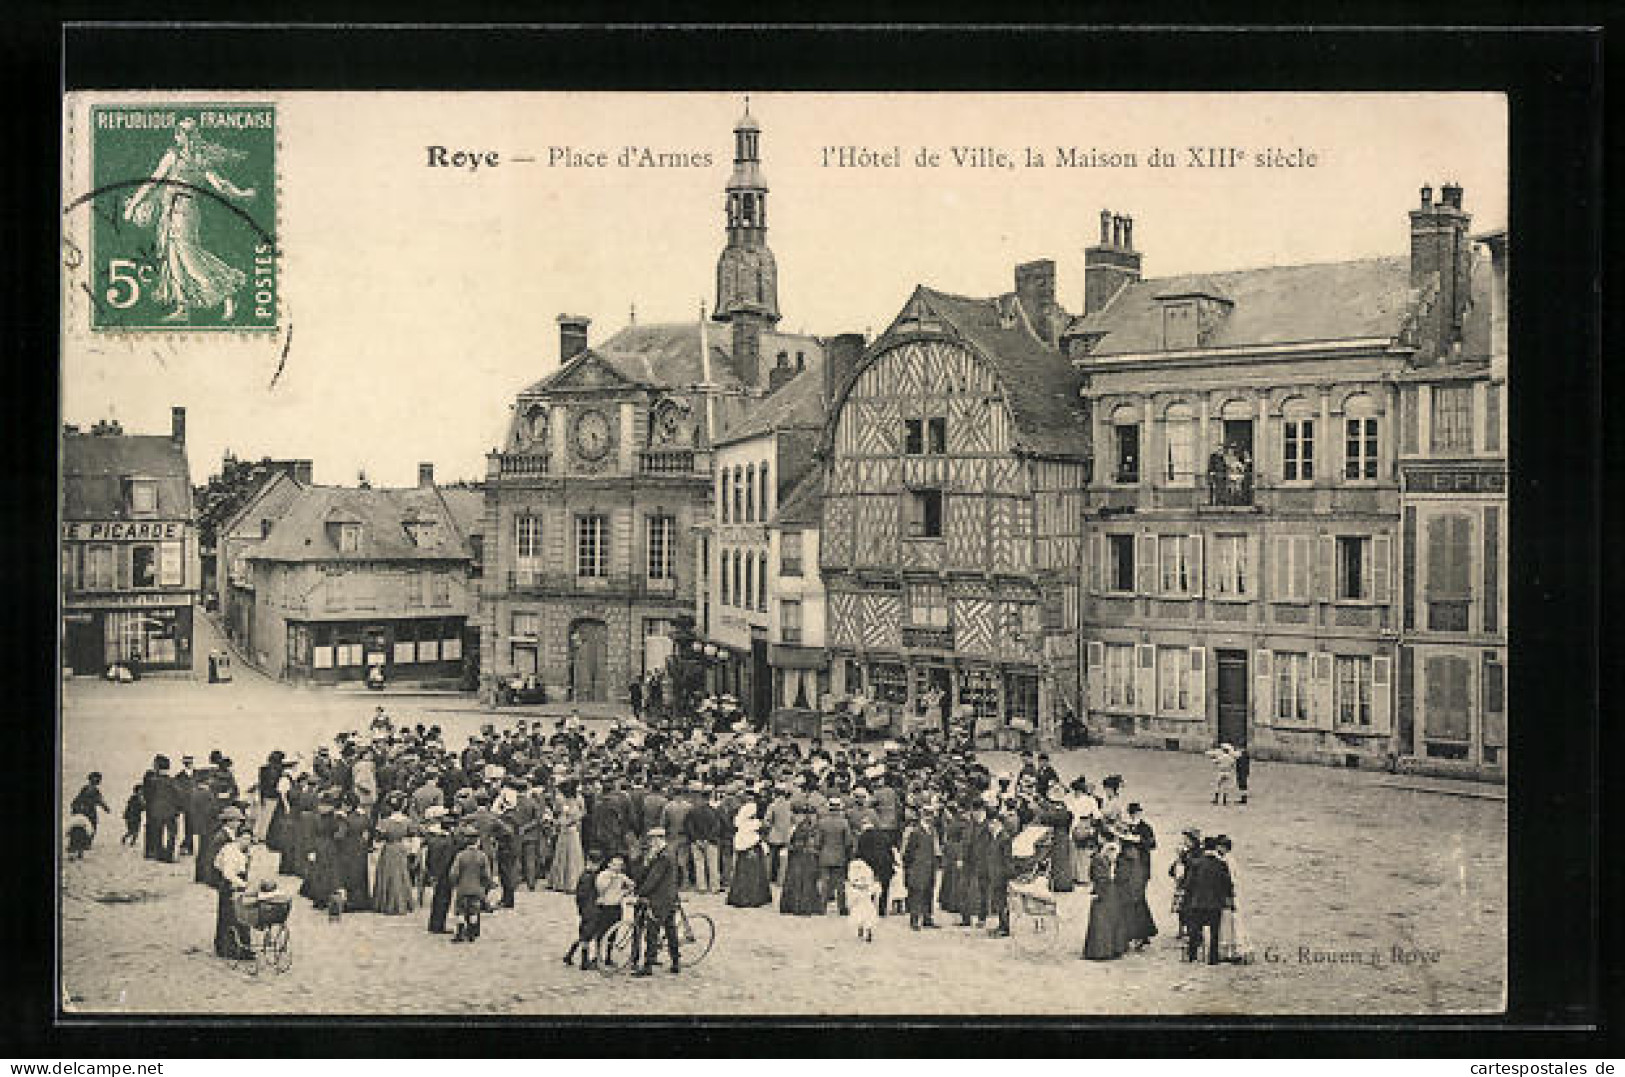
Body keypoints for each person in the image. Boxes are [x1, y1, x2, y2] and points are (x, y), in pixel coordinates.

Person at [121, 115, 257, 323]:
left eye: (191, 133)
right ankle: (182, 307)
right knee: (173, 258)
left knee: (190, 259)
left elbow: (219, 184)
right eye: (184, 133)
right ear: (178, 136)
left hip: (184, 212)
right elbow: (153, 182)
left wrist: (241, 194)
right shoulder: (174, 157)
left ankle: (228, 292)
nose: (188, 137)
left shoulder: (200, 159)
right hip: (170, 211)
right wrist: (133, 205)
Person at [632, 828, 681, 976]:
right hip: (669, 897)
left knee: (653, 930)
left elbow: (653, 879)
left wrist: (640, 893)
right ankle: (675, 962)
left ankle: (648, 965)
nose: (651, 844)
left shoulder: (664, 857)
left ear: (660, 840)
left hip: (659, 899)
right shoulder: (666, 854)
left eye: (653, 840)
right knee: (670, 929)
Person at [1181, 836, 1234, 965]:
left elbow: (1188, 884)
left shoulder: (1196, 863)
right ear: (1215, 848)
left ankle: (1192, 956)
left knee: (1194, 930)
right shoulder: (1221, 864)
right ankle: (1213, 959)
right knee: (1214, 933)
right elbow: (1227, 885)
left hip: (1197, 903)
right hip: (1215, 904)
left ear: (1204, 848)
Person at [210, 814, 254, 960]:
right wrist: (242, 884)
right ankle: (226, 948)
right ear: (238, 838)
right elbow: (228, 873)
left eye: (249, 839)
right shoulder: (230, 850)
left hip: (239, 884)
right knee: (228, 916)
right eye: (244, 838)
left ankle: (243, 946)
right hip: (228, 884)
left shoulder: (246, 852)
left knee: (243, 915)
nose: (247, 841)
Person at [1118, 802, 1158, 950]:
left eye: (1137, 813)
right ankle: (1136, 933)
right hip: (1128, 870)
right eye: (1133, 813)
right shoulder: (1125, 827)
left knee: (1138, 900)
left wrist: (1139, 840)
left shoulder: (1145, 827)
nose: (1135, 815)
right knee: (1130, 901)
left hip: (1141, 868)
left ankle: (1141, 933)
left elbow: (1153, 844)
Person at [586, 853, 635, 969]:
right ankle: (597, 957)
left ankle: (608, 957)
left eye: (620, 865)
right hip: (605, 907)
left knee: (613, 933)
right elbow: (600, 888)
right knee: (601, 932)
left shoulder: (621, 876)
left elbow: (632, 885)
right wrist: (612, 880)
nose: (617, 867)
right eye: (615, 864)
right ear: (609, 864)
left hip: (616, 907)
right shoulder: (603, 875)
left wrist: (624, 892)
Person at [1082, 839, 1128, 961]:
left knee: (1110, 920)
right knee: (1102, 921)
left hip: (1109, 893)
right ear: (1109, 852)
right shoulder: (1099, 861)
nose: (1115, 858)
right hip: (1104, 893)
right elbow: (1099, 878)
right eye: (1114, 855)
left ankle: (1111, 949)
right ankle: (1101, 951)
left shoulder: (1105, 861)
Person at [372, 800, 418, 915]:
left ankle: (385, 903)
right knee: (401, 874)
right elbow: (413, 835)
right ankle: (403, 902)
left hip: (388, 848)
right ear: (403, 806)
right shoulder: (408, 821)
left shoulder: (385, 822)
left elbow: (378, 838)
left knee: (387, 874)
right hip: (401, 848)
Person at [448, 825, 493, 943]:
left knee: (460, 911)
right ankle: (472, 933)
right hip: (477, 888)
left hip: (462, 888)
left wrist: (454, 883)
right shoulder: (482, 856)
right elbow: (487, 875)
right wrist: (486, 885)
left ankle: (460, 933)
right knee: (473, 911)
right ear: (477, 841)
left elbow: (454, 873)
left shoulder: (460, 855)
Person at [1213, 836, 1253, 963]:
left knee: (1229, 922)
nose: (1217, 848)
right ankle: (1229, 951)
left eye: (1219, 846)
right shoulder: (1226, 860)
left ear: (1223, 847)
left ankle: (1232, 951)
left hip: (1228, 896)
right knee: (1228, 923)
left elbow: (1231, 881)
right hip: (1228, 895)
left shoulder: (1227, 861)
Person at [563, 849, 604, 969]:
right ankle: (584, 961)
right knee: (587, 936)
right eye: (594, 864)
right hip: (590, 910)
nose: (595, 866)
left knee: (584, 935)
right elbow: (582, 896)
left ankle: (570, 955)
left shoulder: (588, 875)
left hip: (587, 909)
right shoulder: (588, 877)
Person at [726, 803, 772, 908]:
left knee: (742, 874)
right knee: (754, 875)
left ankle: (741, 896)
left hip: (744, 852)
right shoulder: (754, 824)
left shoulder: (741, 825)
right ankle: (754, 897)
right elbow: (763, 829)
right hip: (754, 850)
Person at [779, 806, 823, 916]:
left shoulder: (802, 827)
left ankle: (797, 905)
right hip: (806, 857)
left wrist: (791, 847)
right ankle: (806, 905)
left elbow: (799, 844)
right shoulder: (810, 827)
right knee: (805, 882)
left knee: (800, 881)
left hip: (800, 858)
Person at [901, 810, 940, 930]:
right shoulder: (916, 832)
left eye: (931, 815)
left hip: (930, 865)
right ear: (922, 816)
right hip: (918, 866)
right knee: (917, 892)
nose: (930, 818)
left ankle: (927, 918)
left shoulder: (932, 830)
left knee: (929, 892)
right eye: (927, 815)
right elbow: (909, 852)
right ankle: (914, 920)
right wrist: (910, 866)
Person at [421, 806, 457, 934]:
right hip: (444, 873)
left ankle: (435, 924)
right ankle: (438, 925)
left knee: (439, 899)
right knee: (443, 899)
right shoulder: (447, 841)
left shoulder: (435, 839)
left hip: (438, 872)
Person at [547, 780, 586, 892]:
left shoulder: (575, 801)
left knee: (571, 856)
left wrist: (571, 820)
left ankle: (570, 882)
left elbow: (580, 814)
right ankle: (562, 881)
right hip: (565, 830)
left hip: (571, 830)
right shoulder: (565, 802)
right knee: (563, 854)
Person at [816, 797, 853, 915]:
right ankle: (841, 908)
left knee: (825, 882)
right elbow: (848, 841)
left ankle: (822, 907)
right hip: (839, 855)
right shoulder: (844, 822)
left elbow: (818, 841)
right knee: (840, 883)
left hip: (825, 855)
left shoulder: (822, 822)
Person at [141, 755, 181, 862]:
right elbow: (178, 796)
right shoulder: (173, 781)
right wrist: (178, 809)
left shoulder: (152, 780)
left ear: (157, 766)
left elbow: (147, 795)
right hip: (171, 811)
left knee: (157, 832)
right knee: (171, 833)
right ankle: (168, 855)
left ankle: (156, 852)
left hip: (155, 811)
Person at [982, 811, 1014, 938]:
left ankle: (1005, 928)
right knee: (998, 901)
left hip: (1000, 874)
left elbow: (1007, 859)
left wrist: (1006, 874)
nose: (990, 826)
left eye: (992, 823)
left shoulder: (1004, 838)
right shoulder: (995, 837)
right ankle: (1001, 925)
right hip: (995, 873)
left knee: (1002, 902)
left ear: (998, 823)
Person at [854, 818, 895, 917]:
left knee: (870, 887)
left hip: (870, 865)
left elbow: (859, 854)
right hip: (885, 864)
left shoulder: (862, 837)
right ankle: (882, 909)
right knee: (884, 888)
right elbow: (890, 850)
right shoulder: (884, 835)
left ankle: (871, 908)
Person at [1168, 826, 1202, 942]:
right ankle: (1182, 929)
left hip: (1193, 885)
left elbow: (1196, 865)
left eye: (1187, 839)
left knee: (1190, 909)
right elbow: (1173, 869)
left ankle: (1190, 930)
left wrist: (1183, 858)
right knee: (1181, 908)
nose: (1185, 841)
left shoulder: (1198, 853)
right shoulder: (1186, 853)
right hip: (1184, 883)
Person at [685, 791, 723, 893]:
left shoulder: (693, 811)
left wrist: (696, 839)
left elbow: (690, 827)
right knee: (713, 865)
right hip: (711, 842)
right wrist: (708, 839)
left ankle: (702, 887)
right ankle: (715, 887)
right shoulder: (714, 811)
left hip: (696, 842)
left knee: (699, 864)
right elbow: (717, 827)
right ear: (709, 798)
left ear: (700, 798)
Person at [70, 772, 112, 850]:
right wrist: (106, 808)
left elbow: (78, 798)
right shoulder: (93, 790)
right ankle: (85, 843)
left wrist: (74, 807)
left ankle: (82, 843)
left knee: (86, 827)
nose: (98, 780)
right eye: (97, 779)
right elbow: (99, 800)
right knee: (91, 827)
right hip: (89, 811)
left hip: (84, 811)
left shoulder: (86, 788)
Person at [764, 784, 795, 884]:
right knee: (783, 858)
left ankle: (772, 877)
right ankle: (781, 877)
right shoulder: (789, 805)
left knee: (773, 857)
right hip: (786, 834)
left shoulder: (772, 805)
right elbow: (792, 819)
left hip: (775, 834)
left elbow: (767, 820)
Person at [847, 859, 880, 943]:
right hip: (867, 902)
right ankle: (868, 930)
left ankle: (861, 928)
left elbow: (851, 893)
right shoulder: (868, 873)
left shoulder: (853, 873)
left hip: (859, 902)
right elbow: (874, 889)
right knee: (868, 917)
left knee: (858, 916)